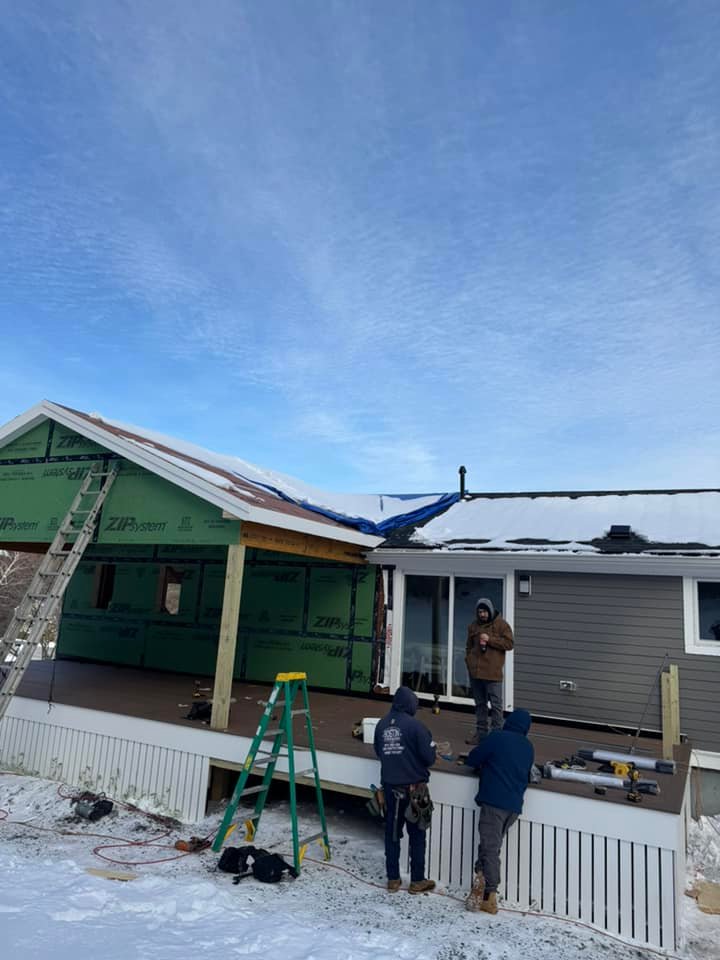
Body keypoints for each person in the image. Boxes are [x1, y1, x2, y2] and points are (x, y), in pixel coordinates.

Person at [465, 708, 534, 915]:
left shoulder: (497, 737)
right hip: (513, 808)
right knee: (489, 846)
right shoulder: (528, 747)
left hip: (494, 802)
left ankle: (490, 896)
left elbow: (473, 758)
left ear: (509, 721)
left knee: (490, 848)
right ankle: (479, 880)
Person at [374, 686, 437, 894]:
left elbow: (378, 751)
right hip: (415, 790)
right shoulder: (416, 727)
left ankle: (393, 879)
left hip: (390, 788)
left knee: (392, 833)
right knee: (417, 835)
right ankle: (417, 880)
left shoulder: (381, 725)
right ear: (411, 705)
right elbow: (429, 758)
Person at [465, 598, 513, 745]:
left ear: (490, 611)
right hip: (476, 673)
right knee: (480, 704)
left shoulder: (501, 625)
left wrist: (490, 639)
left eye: (485, 611)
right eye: (480, 612)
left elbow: (509, 644)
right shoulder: (473, 626)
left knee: (496, 705)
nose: (482, 614)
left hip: (493, 673)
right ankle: (481, 734)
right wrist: (469, 660)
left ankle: (496, 736)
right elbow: (468, 646)